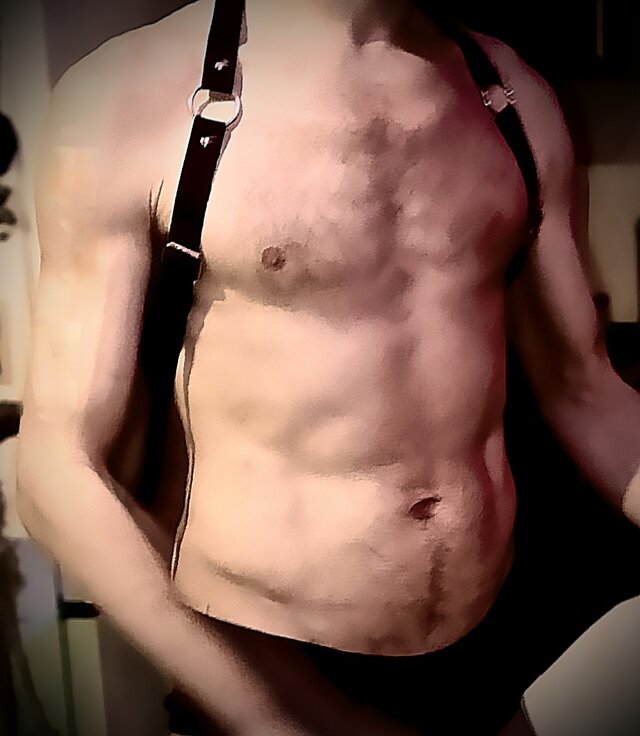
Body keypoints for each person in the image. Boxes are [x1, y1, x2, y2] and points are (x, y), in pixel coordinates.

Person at [16, 0, 640, 734]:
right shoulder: (131, 97)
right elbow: (58, 466)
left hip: (493, 652)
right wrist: (273, 718)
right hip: (274, 665)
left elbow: (585, 387)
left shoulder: (510, 95)